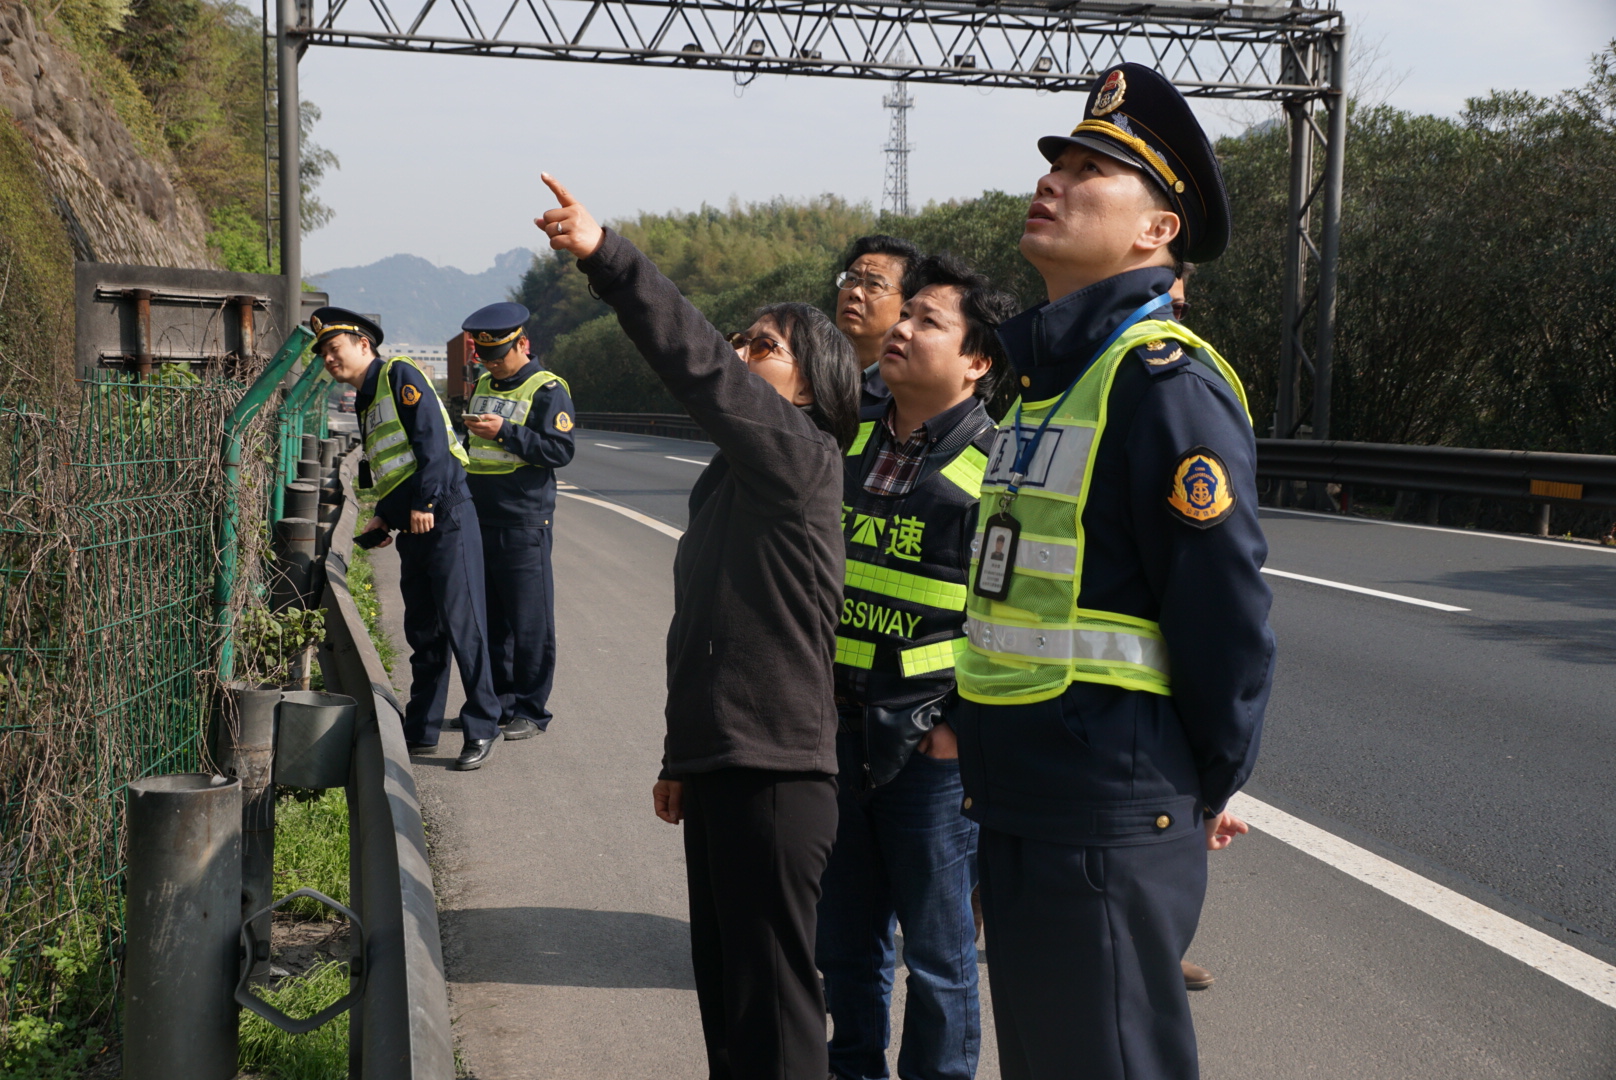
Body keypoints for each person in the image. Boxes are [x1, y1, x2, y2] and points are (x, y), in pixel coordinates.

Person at [949, 62, 1273, 1080]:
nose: (1052, 181)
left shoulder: (1158, 381)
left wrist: (1202, 777)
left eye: (1091, 170)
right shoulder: (1045, 382)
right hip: (1025, 789)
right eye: (1056, 163)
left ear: (1154, 230)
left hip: (1107, 796)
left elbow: (1225, 613)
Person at [534, 173, 861, 1080]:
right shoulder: (733, 481)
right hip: (729, 767)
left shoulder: (799, 456)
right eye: (744, 338)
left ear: (809, 384)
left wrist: (609, 258)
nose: (741, 351)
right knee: (729, 1004)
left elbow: (699, 367)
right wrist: (684, 757)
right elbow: (706, 634)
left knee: (779, 1017)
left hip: (779, 777)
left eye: (764, 345)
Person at [818, 252, 1018, 1080]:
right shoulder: (848, 439)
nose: (899, 328)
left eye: (927, 322)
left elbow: (1011, 619)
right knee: (847, 947)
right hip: (836, 733)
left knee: (938, 960)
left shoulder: (998, 467)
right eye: (905, 317)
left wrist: (958, 729)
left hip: (929, 750)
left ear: (978, 361)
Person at [313, 307, 505, 771]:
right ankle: (422, 728)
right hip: (412, 527)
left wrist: (423, 504)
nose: (328, 360)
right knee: (424, 632)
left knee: (465, 627)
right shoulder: (363, 399)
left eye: (334, 349)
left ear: (364, 344)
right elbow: (388, 465)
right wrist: (384, 515)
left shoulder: (398, 374)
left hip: (445, 515)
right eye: (322, 355)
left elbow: (433, 445)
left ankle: (483, 725)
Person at [454, 301, 576, 741]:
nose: (491, 365)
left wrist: (505, 432)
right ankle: (500, 703)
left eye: (499, 356)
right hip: (480, 515)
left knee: (530, 621)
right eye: (484, 357)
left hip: (524, 521)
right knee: (493, 620)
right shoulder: (484, 382)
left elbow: (559, 451)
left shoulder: (547, 389)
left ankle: (531, 709)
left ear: (523, 344)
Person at [834, 235, 922, 408]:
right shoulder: (810, 376)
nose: (855, 292)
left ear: (907, 307)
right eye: (851, 279)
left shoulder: (908, 398)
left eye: (874, 284)